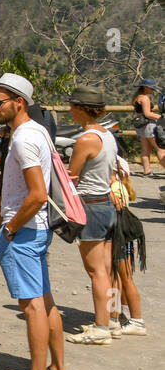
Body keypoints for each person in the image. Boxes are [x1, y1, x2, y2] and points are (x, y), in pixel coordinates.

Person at [0, 73, 66, 370]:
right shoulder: (38, 132)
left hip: (24, 231)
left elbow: (36, 194)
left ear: (19, 102)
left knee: (32, 306)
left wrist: (10, 228)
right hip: (38, 230)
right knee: (46, 301)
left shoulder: (23, 139)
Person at [64, 87, 120, 345]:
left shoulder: (85, 139)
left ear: (82, 108)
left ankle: (101, 328)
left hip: (90, 205)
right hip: (106, 203)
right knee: (108, 269)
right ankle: (113, 317)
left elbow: (73, 175)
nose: (70, 110)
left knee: (95, 270)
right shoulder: (107, 135)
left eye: (73, 105)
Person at [109, 157, 148, 336]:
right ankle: (118, 315)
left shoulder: (114, 188)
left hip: (119, 238)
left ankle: (133, 319)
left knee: (121, 279)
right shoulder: (120, 186)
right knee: (121, 279)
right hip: (124, 239)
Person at [130, 80, 164, 176]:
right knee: (160, 149)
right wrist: (161, 118)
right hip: (149, 126)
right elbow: (148, 114)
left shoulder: (138, 97)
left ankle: (147, 171)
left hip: (142, 127)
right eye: (152, 88)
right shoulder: (145, 98)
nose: (153, 90)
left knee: (145, 150)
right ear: (146, 87)